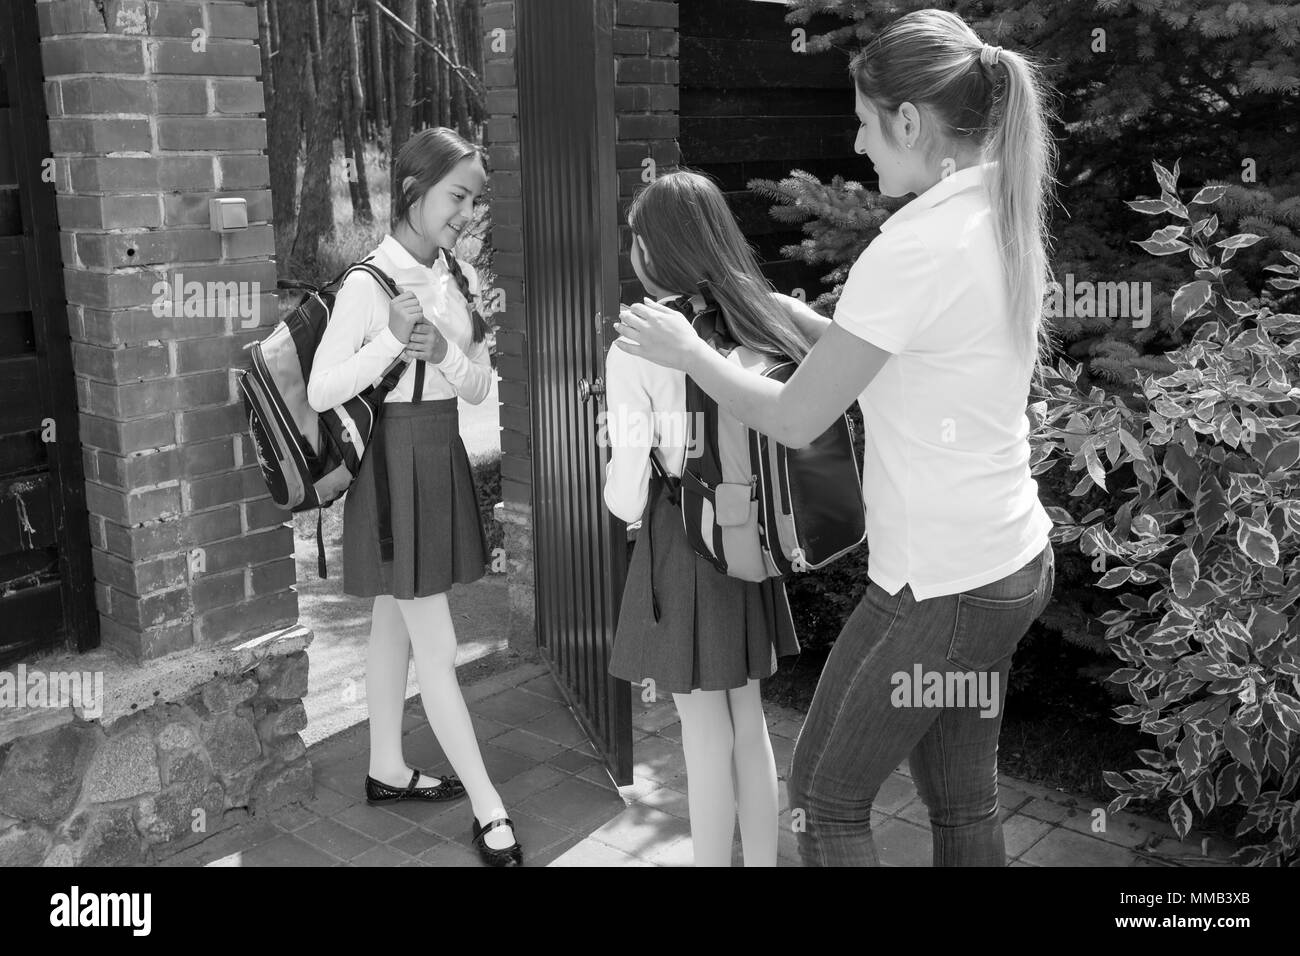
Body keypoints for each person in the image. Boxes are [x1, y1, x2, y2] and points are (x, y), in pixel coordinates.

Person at [613, 9, 1058, 866]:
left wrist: (690, 351)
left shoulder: (917, 243)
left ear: (909, 121)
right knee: (964, 803)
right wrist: (793, 315)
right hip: (1007, 563)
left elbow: (792, 416)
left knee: (824, 797)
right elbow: (896, 360)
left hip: (941, 587)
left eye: (862, 123)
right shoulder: (995, 213)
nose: (858, 146)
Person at [307, 127, 522, 867]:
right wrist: (389, 344)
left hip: (439, 451)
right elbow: (321, 389)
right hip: (392, 467)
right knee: (437, 644)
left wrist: (444, 351)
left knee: (392, 625)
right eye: (457, 196)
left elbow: (479, 384)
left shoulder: (454, 279)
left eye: (475, 201)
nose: (467, 213)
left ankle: (386, 767)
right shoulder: (368, 283)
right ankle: (490, 807)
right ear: (413, 190)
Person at [603, 170, 830, 866]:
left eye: (638, 239)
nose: (633, 252)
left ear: (657, 251)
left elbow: (627, 500)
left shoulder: (638, 346)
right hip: (750, 539)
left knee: (702, 739)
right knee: (747, 722)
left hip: (683, 542)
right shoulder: (761, 317)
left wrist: (611, 450)